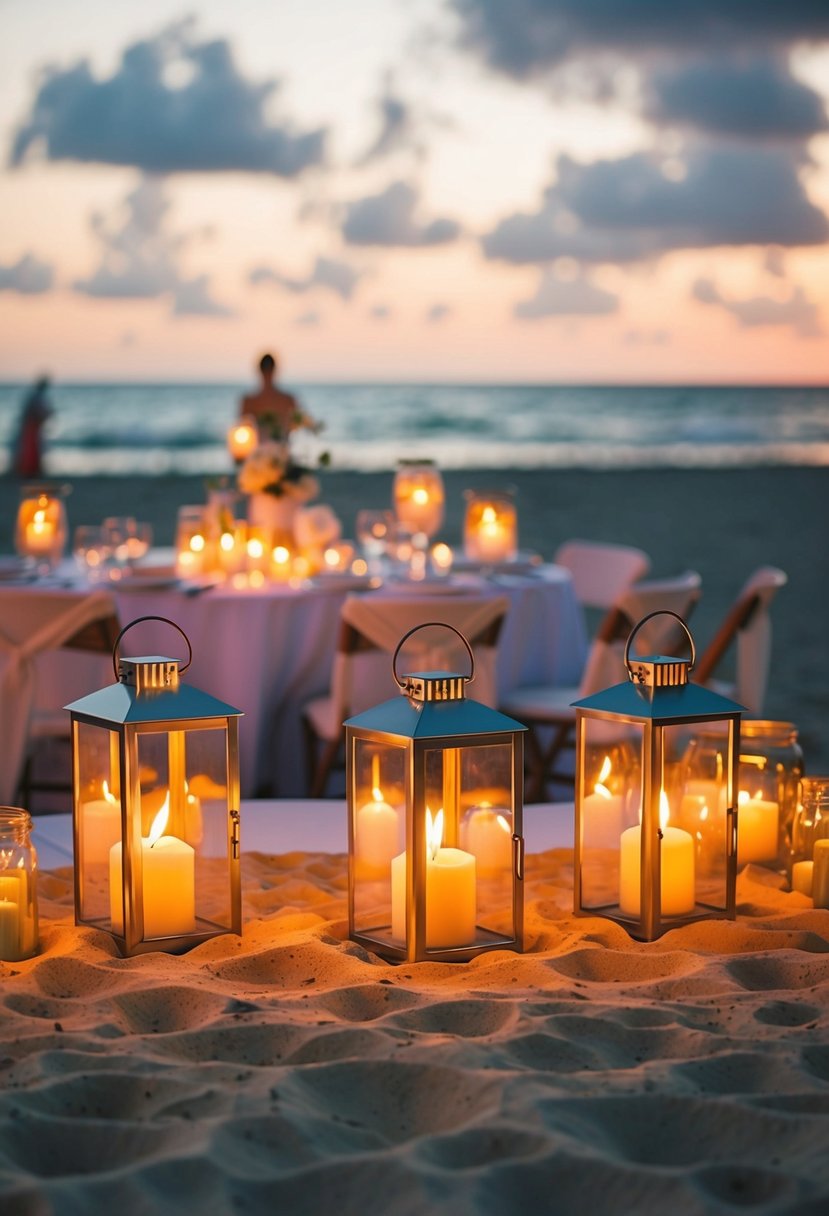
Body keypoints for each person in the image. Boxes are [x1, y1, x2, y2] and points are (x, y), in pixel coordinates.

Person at [239, 352, 302, 440]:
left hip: (261, 451)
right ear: (275, 370)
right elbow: (298, 427)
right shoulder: (289, 400)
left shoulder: (249, 401)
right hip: (284, 450)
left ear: (259, 370)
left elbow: (241, 430)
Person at [12, 375, 53, 478]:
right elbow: (39, 412)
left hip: (32, 426)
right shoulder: (37, 396)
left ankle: (30, 470)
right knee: (31, 450)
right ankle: (29, 470)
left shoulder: (35, 396)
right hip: (31, 426)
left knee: (32, 449)